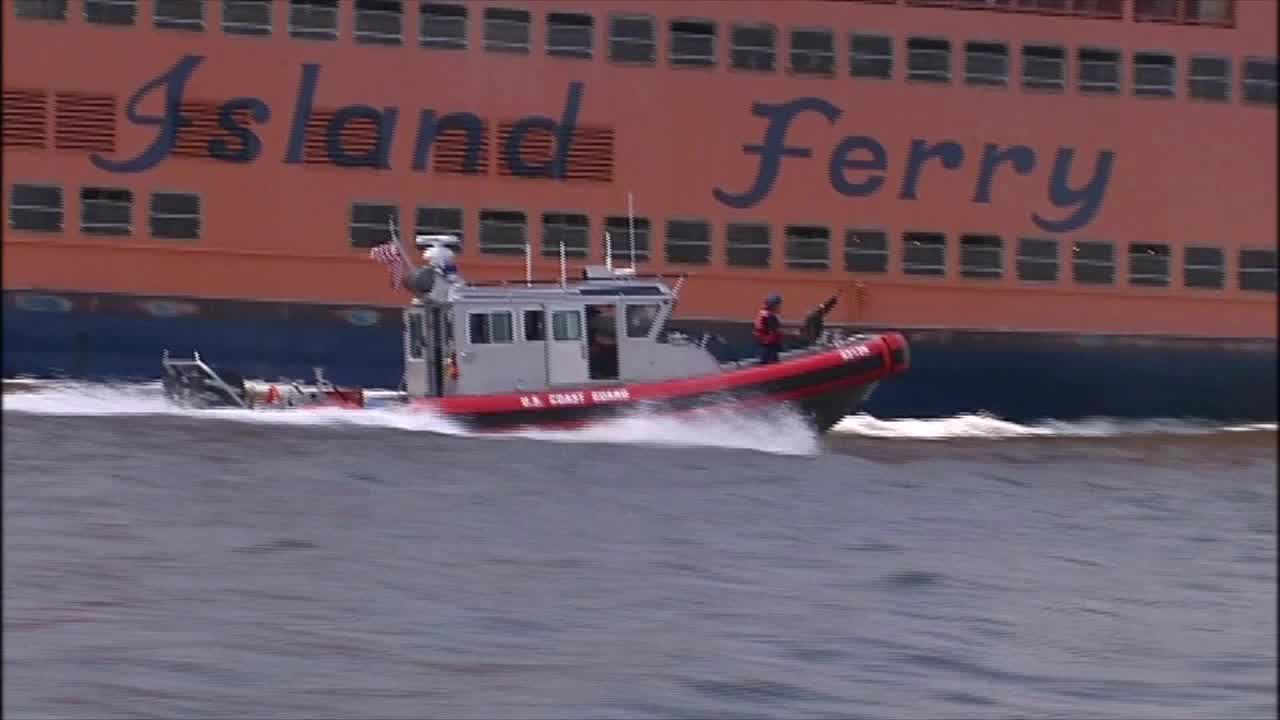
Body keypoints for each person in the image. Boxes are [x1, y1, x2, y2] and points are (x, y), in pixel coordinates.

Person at [753, 293, 784, 364]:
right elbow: (776, 330)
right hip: (769, 348)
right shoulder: (770, 316)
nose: (779, 307)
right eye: (778, 305)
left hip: (763, 346)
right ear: (773, 305)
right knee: (772, 365)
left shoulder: (763, 313)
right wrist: (794, 333)